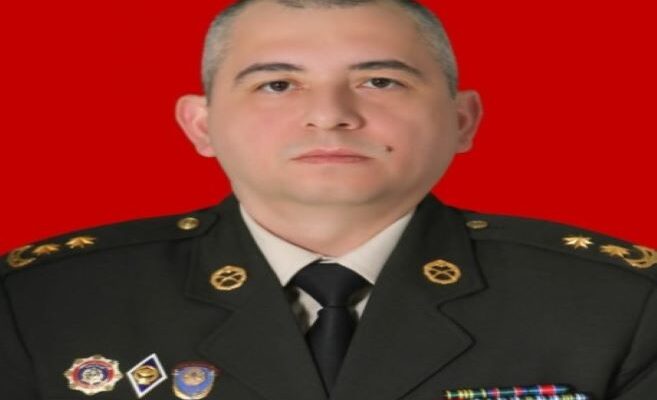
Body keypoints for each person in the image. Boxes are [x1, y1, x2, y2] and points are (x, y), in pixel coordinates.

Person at [1, 1, 656, 399]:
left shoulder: (619, 305)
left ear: (462, 121)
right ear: (200, 125)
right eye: (277, 85)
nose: (331, 115)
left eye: (380, 81)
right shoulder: (40, 302)